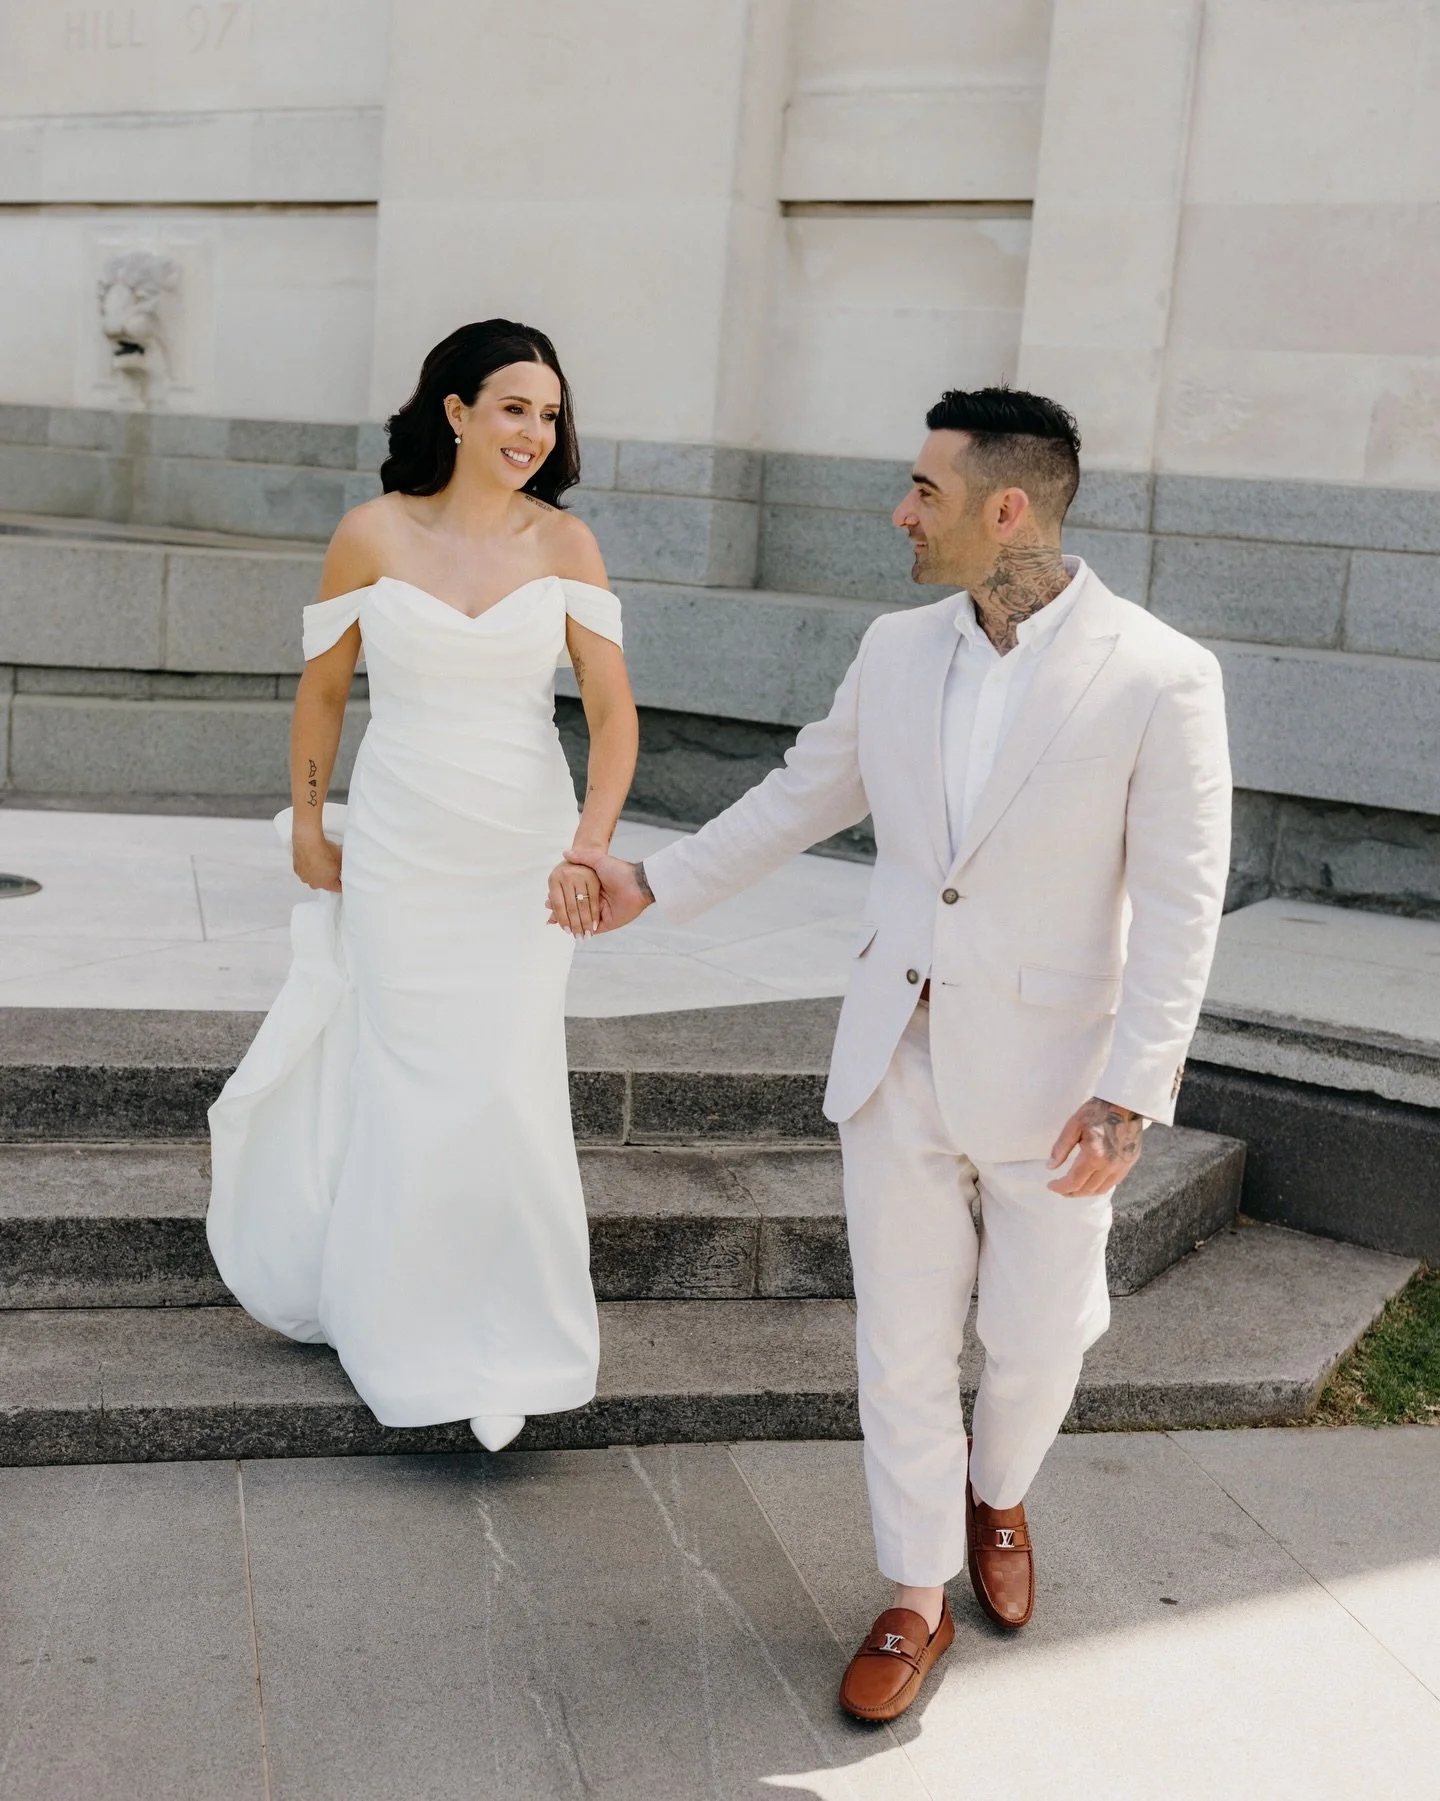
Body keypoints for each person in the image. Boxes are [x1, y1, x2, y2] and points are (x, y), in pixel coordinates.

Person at [567, 387, 1231, 1720]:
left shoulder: (1162, 674)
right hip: (896, 1051)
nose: (900, 513)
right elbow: (800, 794)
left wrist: (1132, 1089)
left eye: (925, 491)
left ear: (1008, 507)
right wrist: (657, 882)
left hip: (1059, 1078)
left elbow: (1181, 897)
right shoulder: (894, 649)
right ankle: (915, 1592)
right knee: (902, 1341)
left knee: (1039, 1338)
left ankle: (1000, 1490)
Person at [207, 320, 637, 1454]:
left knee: (505, 1079)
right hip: (402, 845)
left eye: (549, 415)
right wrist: (309, 818)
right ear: (456, 410)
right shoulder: (371, 533)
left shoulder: (567, 544)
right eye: (513, 408)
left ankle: (514, 1331)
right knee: (408, 1075)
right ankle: (400, 1325)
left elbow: (613, 714)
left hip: (523, 850)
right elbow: (322, 693)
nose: (534, 434)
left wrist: (588, 848)